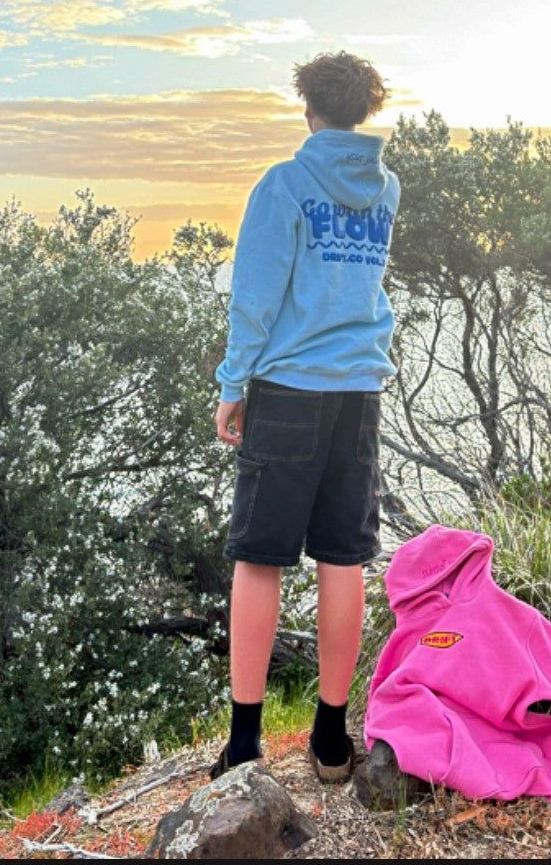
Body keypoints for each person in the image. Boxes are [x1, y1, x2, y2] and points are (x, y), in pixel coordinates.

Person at [212, 50, 400, 783]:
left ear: (309, 109)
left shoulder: (284, 184)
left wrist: (233, 383)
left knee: (259, 558)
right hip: (358, 392)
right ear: (363, 110)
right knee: (342, 557)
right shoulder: (384, 187)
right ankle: (329, 739)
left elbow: (255, 297)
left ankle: (243, 744)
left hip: (288, 389)